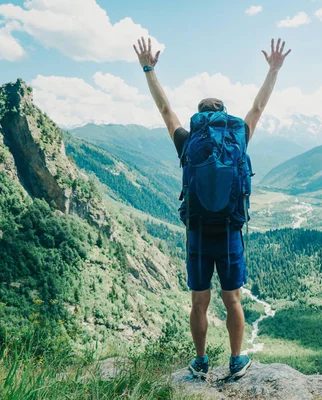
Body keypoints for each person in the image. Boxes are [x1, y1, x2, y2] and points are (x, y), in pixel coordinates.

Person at [133, 36, 290, 379]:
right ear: (222, 115)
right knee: (232, 299)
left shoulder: (188, 142)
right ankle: (236, 361)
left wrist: (148, 69)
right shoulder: (236, 137)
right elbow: (258, 108)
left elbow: (165, 109)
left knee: (199, 302)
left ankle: (200, 362)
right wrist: (274, 70)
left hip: (199, 234)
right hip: (231, 231)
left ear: (199, 118)